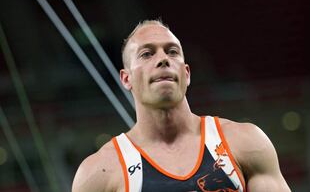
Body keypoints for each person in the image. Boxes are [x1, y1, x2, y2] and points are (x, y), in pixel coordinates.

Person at [72, 20, 291, 192]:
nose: (163, 59)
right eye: (147, 54)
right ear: (126, 79)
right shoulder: (100, 172)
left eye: (172, 51)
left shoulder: (246, 142)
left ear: (186, 73)